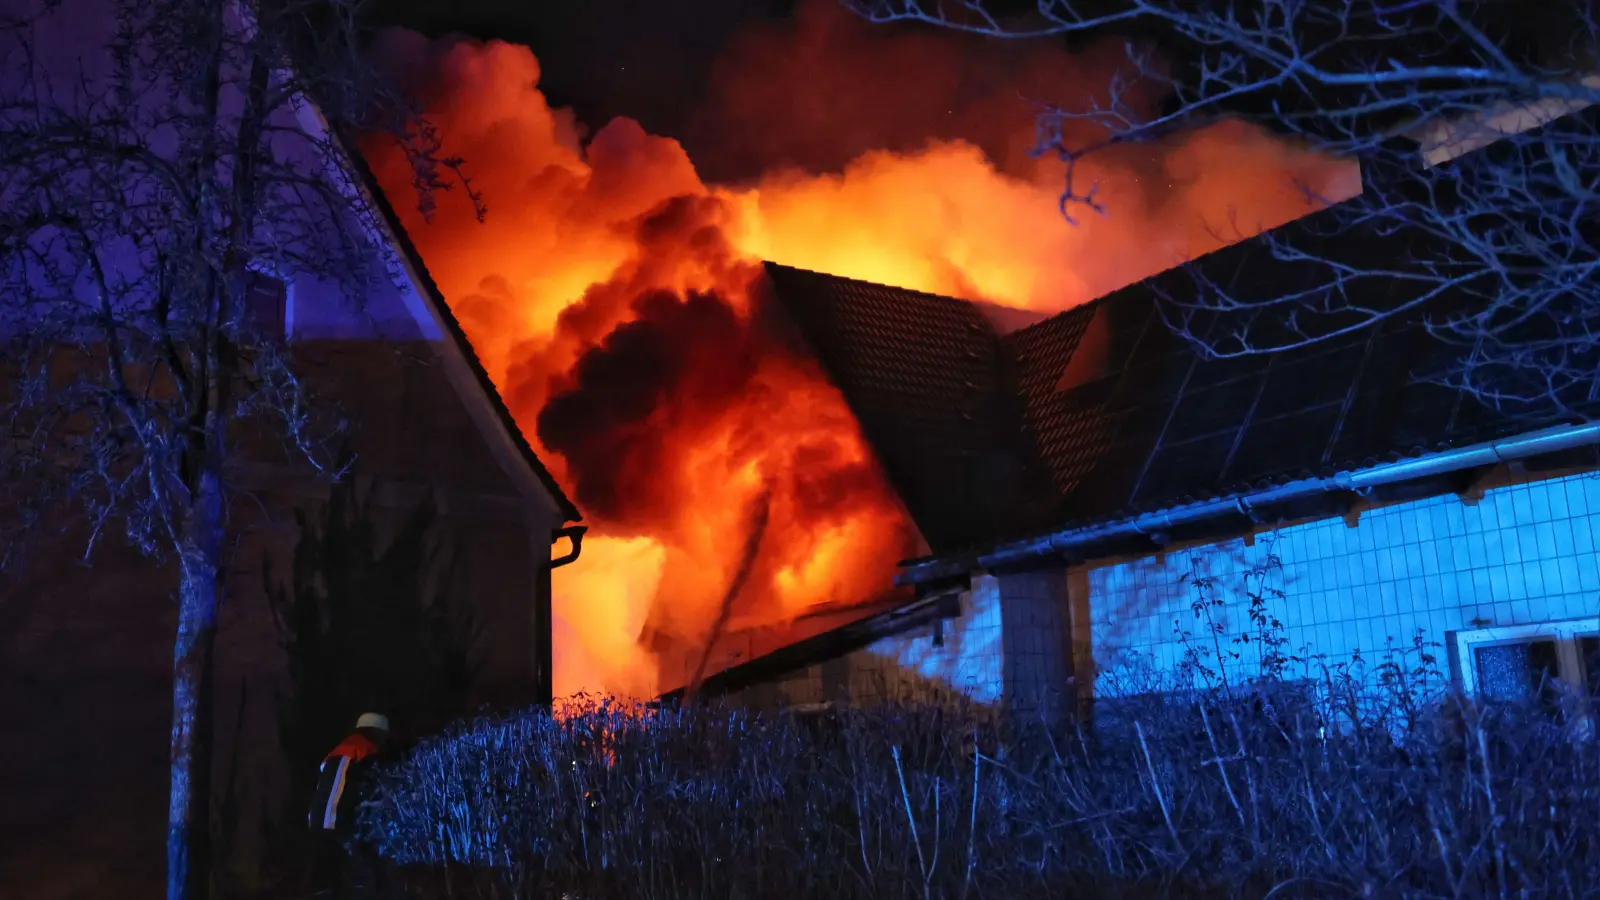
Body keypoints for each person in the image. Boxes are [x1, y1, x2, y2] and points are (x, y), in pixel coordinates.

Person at [309, 712, 390, 898]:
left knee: (326, 877)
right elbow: (368, 783)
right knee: (360, 877)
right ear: (376, 732)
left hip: (318, 818)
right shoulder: (366, 749)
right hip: (339, 820)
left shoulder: (339, 750)